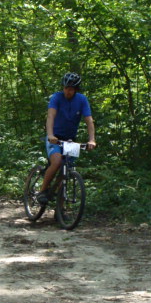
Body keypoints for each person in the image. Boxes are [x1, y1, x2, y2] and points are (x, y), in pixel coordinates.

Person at [36, 72, 96, 204]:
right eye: (65, 88)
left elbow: (89, 120)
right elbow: (50, 116)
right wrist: (50, 135)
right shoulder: (56, 97)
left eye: (71, 89)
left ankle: (60, 207)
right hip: (55, 137)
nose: (67, 91)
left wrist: (92, 139)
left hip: (70, 140)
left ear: (76, 89)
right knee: (57, 161)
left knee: (67, 169)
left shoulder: (82, 100)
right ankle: (42, 191)